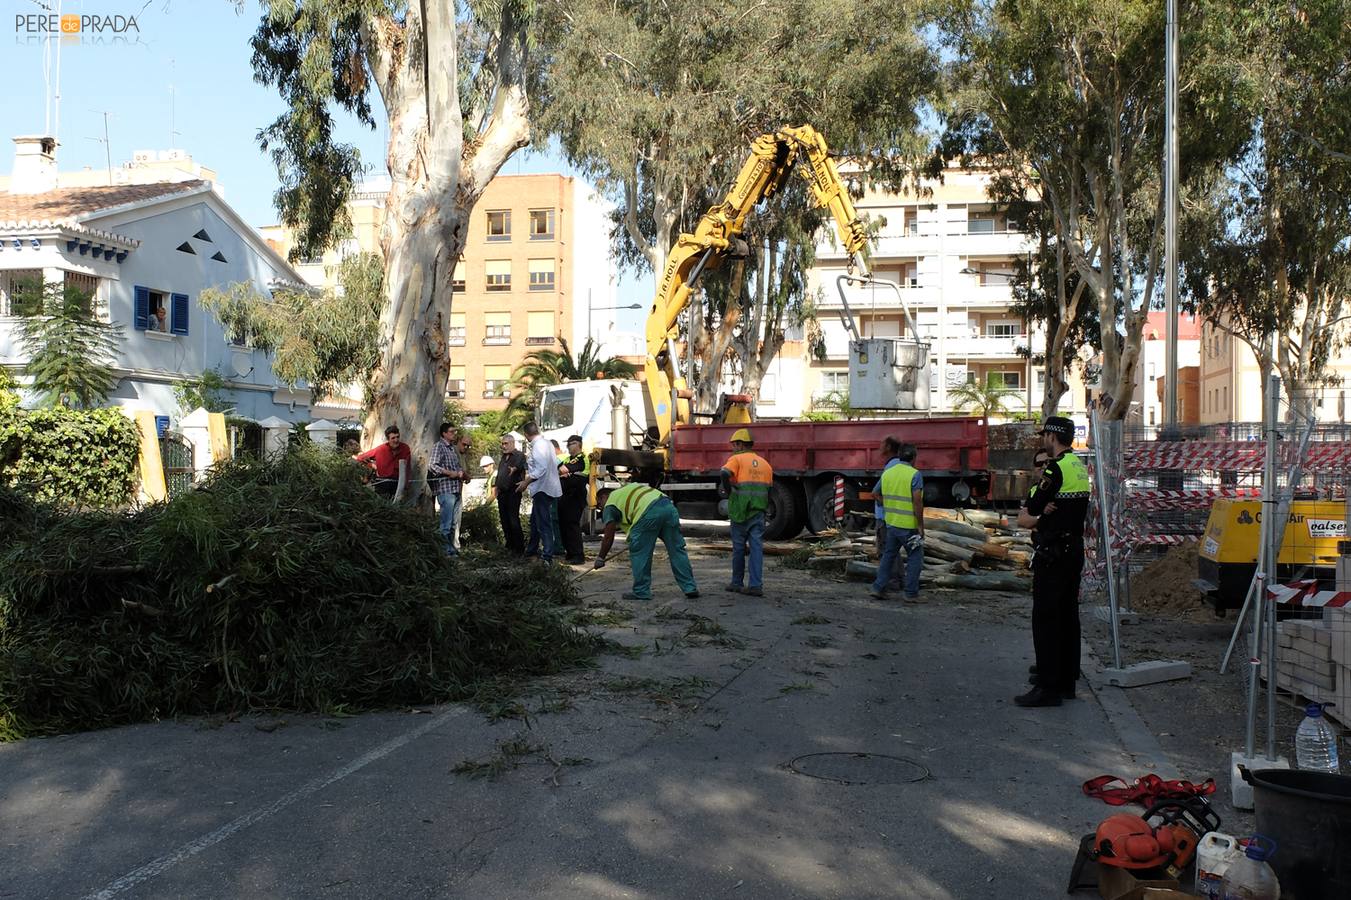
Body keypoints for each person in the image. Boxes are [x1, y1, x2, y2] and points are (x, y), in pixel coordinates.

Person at [1015, 416, 1092, 708]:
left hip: (1054, 553)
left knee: (1045, 619)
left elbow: (1033, 507)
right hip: (1074, 550)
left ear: (1053, 436)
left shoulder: (1057, 469)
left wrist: (1042, 510)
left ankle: (1047, 688)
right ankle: (1066, 682)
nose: (1043, 439)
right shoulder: (1078, 467)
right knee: (1068, 617)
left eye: (1045, 434)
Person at [594, 482, 699, 601]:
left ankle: (641, 591)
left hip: (647, 513)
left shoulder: (611, 503)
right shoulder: (626, 490)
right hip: (667, 507)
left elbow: (608, 536)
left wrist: (600, 558)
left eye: (599, 504)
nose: (601, 508)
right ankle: (690, 587)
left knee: (640, 553)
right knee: (677, 549)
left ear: (603, 497)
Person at [720, 428, 772, 596]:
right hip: (758, 512)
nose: (733, 448)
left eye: (734, 444)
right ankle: (756, 585)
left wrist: (728, 491)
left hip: (740, 511)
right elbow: (769, 490)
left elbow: (724, 472)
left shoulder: (737, 459)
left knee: (739, 548)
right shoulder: (765, 464)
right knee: (757, 548)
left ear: (740, 444)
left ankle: (736, 583)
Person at [869, 442, 924, 601]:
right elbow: (917, 502)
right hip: (909, 527)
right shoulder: (915, 475)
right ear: (914, 457)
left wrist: (888, 505)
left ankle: (878, 587)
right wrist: (920, 526)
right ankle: (911, 593)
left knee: (889, 556)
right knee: (915, 557)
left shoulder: (888, 473)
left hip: (891, 524)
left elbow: (875, 493)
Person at [519, 421, 562, 563]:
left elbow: (541, 468)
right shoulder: (548, 443)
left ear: (526, 435)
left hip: (542, 489)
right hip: (548, 487)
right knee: (535, 521)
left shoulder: (538, 446)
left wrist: (526, 481)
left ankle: (547, 556)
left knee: (543, 523)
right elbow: (553, 463)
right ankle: (531, 550)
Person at [428, 423, 465, 556]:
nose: (453, 434)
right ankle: (445, 552)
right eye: (451, 432)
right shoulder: (439, 447)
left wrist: (460, 473)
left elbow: (457, 466)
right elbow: (432, 466)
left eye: (454, 432)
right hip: (445, 489)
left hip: (455, 489)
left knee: (453, 524)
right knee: (446, 524)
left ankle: (451, 549)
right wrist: (449, 473)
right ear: (443, 433)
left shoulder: (452, 449)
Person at [557, 435, 590, 565]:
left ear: (579, 445)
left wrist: (564, 472)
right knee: (563, 525)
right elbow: (558, 469)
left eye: (573, 443)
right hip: (565, 496)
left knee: (572, 525)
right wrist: (563, 472)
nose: (569, 446)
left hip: (576, 495)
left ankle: (578, 555)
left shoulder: (581, 458)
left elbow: (563, 469)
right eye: (568, 443)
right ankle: (569, 553)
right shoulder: (567, 459)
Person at [356, 425, 411, 499]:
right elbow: (360, 458)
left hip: (397, 482)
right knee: (382, 506)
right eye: (393, 438)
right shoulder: (380, 449)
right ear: (388, 440)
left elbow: (407, 467)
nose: (396, 440)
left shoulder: (405, 448)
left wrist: (406, 483)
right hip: (382, 482)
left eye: (397, 437)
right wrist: (371, 465)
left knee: (397, 506)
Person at [495, 434, 526, 555]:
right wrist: (497, 487)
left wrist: (514, 469)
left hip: (513, 492)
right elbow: (500, 473)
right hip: (502, 492)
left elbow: (517, 467)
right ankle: (510, 545)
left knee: (513, 520)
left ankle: (519, 548)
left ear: (512, 443)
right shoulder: (503, 457)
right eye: (502, 443)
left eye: (506, 443)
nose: (503, 446)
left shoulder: (518, 455)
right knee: (504, 520)